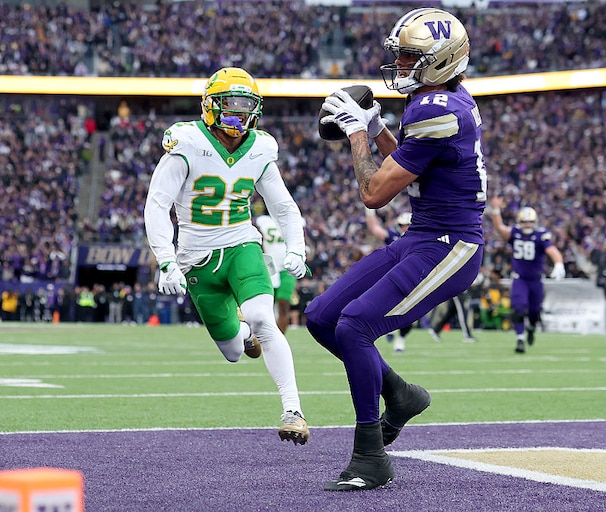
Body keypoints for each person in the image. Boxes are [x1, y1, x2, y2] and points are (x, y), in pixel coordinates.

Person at [305, 8, 486, 491]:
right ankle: (401, 396)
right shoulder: (444, 98)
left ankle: (370, 455)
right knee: (322, 316)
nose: (402, 64)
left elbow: (374, 193)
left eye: (411, 56)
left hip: (451, 246)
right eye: (401, 54)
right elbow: (412, 162)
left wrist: (357, 130)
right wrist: (379, 125)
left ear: (441, 60)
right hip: (421, 237)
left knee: (355, 325)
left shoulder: (435, 109)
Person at [143, 67, 310, 445]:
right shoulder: (186, 142)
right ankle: (246, 334)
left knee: (263, 318)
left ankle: (293, 409)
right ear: (211, 106)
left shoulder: (261, 147)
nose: (240, 114)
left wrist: (297, 246)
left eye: (246, 105)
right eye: (231, 104)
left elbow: (282, 206)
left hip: (241, 245)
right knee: (235, 351)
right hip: (196, 259)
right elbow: (157, 204)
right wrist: (166, 260)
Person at [486, 197, 566, 353]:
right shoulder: (515, 233)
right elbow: (500, 229)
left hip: (536, 280)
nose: (527, 225)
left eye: (529, 222)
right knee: (518, 308)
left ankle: (531, 327)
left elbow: (552, 250)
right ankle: (520, 339)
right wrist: (496, 210)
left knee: (535, 312)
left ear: (534, 222)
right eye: (524, 222)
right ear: (520, 222)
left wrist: (559, 263)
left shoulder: (540, 235)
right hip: (520, 278)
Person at [365, 208, 413, 352]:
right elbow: (374, 228)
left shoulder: (420, 238)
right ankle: (389, 328)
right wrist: (369, 210)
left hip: (411, 277)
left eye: (407, 225)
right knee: (384, 305)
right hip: (393, 276)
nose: (404, 228)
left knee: (410, 310)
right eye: (402, 225)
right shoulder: (394, 236)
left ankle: (400, 339)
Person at [254, 210, 299, 334]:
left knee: (284, 304)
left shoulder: (293, 219)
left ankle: (280, 339)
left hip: (287, 267)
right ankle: (263, 338)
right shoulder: (262, 220)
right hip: (269, 267)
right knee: (264, 306)